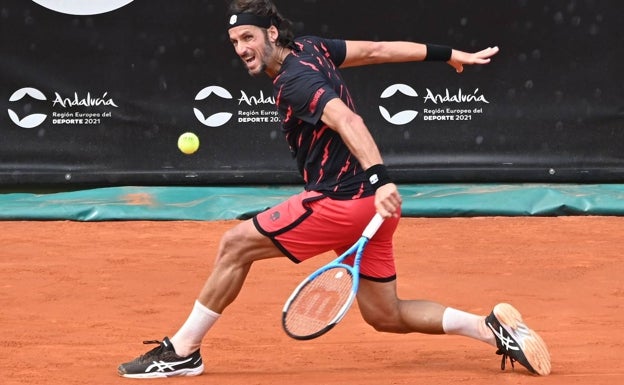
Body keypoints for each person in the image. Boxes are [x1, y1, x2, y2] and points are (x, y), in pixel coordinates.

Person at [118, 0, 551, 378]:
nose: (241, 49)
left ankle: (182, 351)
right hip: (374, 209)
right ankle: (490, 327)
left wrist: (380, 178)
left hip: (343, 200)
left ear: (271, 32)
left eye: (248, 37)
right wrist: (449, 54)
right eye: (234, 42)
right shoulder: (312, 47)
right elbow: (378, 51)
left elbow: (348, 121)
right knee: (386, 315)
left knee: (235, 245)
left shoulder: (295, 81)